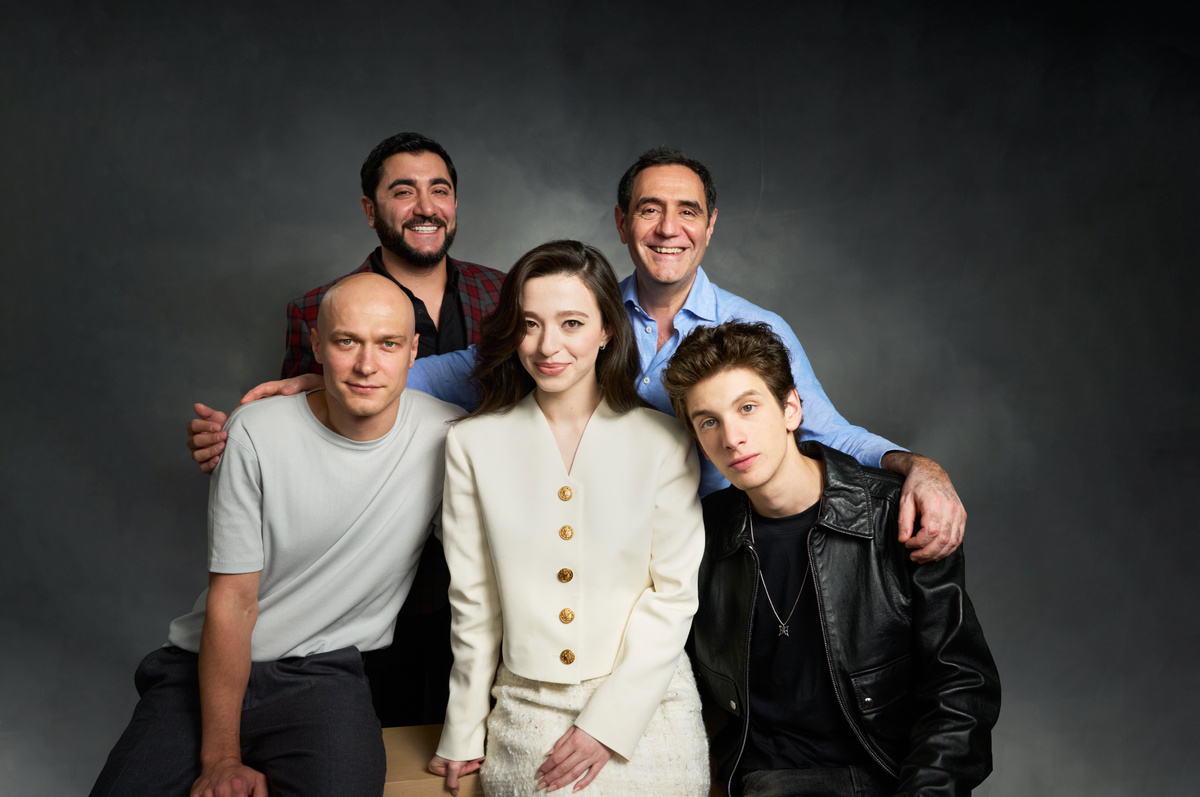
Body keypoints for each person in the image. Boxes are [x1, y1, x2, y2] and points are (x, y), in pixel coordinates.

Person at [203, 147, 966, 564]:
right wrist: (314, 384)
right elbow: (423, 376)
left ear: (710, 227)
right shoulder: (580, 323)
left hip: (718, 558)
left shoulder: (754, 325)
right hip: (585, 558)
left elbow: (827, 429)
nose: (668, 227)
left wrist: (918, 467)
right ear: (623, 222)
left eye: (687, 211)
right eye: (649, 209)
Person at [91, 274, 461, 797]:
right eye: (346, 341)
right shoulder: (254, 432)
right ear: (315, 344)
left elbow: (493, 573)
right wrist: (221, 759)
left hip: (324, 677)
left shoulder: (451, 437)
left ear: (413, 352)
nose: (366, 364)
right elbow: (234, 601)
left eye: (388, 344)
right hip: (205, 667)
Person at [191, 131, 504, 727]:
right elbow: (304, 438)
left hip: (475, 569)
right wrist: (230, 440)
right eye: (403, 192)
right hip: (370, 591)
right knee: (369, 753)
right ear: (370, 210)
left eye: (439, 190)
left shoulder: (504, 295)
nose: (425, 207)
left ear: (456, 205)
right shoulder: (317, 309)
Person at [661, 321, 1000, 797]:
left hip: (888, 778)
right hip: (760, 782)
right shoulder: (700, 535)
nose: (732, 437)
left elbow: (961, 688)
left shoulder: (894, 518)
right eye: (709, 421)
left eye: (748, 408)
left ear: (791, 409)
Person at [427, 240, 709, 796]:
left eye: (572, 323)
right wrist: (462, 729)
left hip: (649, 703)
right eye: (529, 324)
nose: (547, 346)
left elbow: (674, 596)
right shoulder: (470, 444)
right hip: (527, 704)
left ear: (607, 329)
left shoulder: (666, 440)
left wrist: (609, 724)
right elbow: (474, 602)